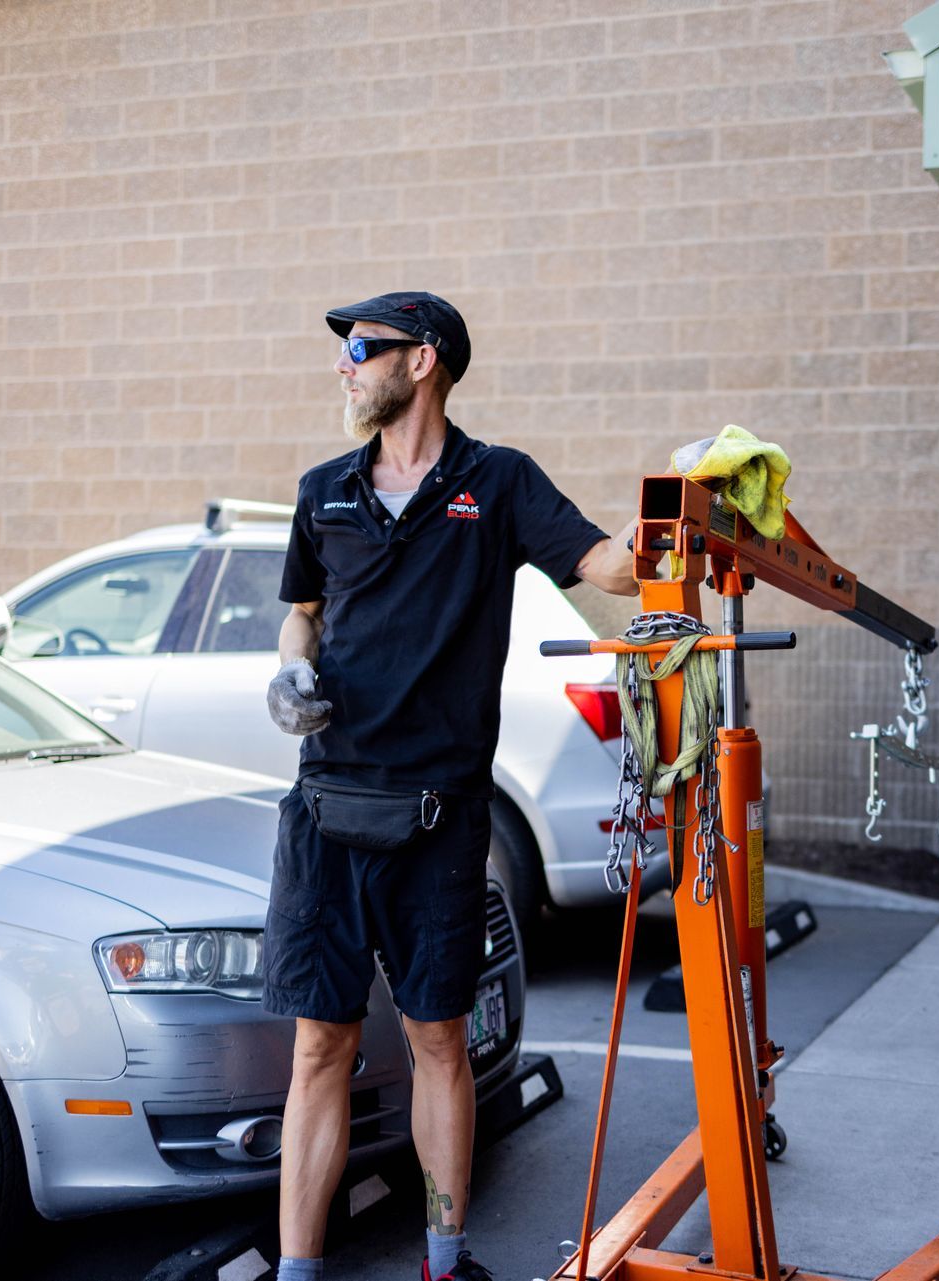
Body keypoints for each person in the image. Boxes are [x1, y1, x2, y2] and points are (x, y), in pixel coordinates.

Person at [263, 291, 638, 1281]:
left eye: (360, 348)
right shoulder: (323, 491)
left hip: (439, 816)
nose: (344, 366)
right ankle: (298, 1271)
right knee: (318, 1049)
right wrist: (291, 669)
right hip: (327, 811)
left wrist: (688, 507)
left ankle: (442, 1254)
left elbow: (612, 565)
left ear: (422, 361)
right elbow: (302, 613)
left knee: (438, 1040)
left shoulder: (496, 484)